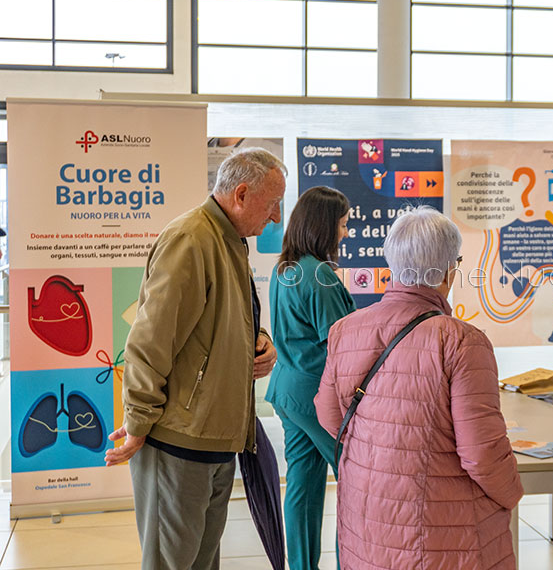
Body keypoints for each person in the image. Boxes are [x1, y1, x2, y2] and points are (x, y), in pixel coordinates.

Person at [104, 147, 286, 570]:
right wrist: (139, 421)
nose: (276, 217)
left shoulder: (228, 241)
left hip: (216, 441)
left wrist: (260, 343)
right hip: (176, 444)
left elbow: (225, 320)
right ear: (241, 194)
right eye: (273, 203)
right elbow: (150, 341)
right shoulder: (191, 239)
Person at [315, 207, 523, 569]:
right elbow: (482, 453)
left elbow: (331, 415)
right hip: (442, 529)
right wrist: (512, 493)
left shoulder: (346, 330)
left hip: (366, 510)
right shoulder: (461, 341)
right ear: (448, 270)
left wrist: (382, 450)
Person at [266, 186, 356, 570]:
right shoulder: (320, 275)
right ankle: (352, 562)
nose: (346, 233)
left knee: (302, 483)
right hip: (317, 396)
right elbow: (343, 349)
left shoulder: (284, 269)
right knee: (355, 479)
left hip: (286, 390)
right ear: (324, 225)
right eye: (342, 224)